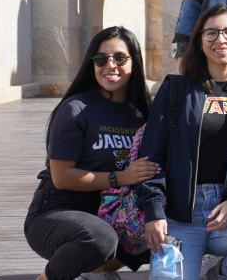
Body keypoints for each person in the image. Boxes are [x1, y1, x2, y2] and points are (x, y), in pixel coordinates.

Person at [138, 4, 227, 280]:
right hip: (178, 214)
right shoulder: (175, 89)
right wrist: (154, 211)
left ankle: (220, 274)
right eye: (210, 33)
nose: (220, 40)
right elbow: (151, 156)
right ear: (199, 42)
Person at [24, 27, 156, 280]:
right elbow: (62, 177)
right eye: (100, 59)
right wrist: (121, 177)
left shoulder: (140, 115)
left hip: (111, 214)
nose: (110, 65)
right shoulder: (76, 109)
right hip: (56, 213)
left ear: (134, 62)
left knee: (160, 225)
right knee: (101, 238)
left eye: (120, 58)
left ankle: (97, 272)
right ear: (92, 64)